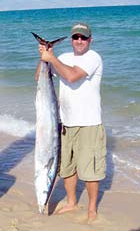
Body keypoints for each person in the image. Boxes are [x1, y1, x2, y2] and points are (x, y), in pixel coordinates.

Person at [37, 22, 106, 222]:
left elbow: (72, 76)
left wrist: (51, 59)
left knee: (90, 170)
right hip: (65, 124)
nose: (79, 41)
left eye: (83, 37)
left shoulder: (93, 57)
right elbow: (38, 77)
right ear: (71, 39)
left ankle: (92, 208)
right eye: (76, 37)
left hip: (89, 123)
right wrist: (44, 57)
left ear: (90, 40)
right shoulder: (64, 58)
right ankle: (71, 202)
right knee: (67, 167)